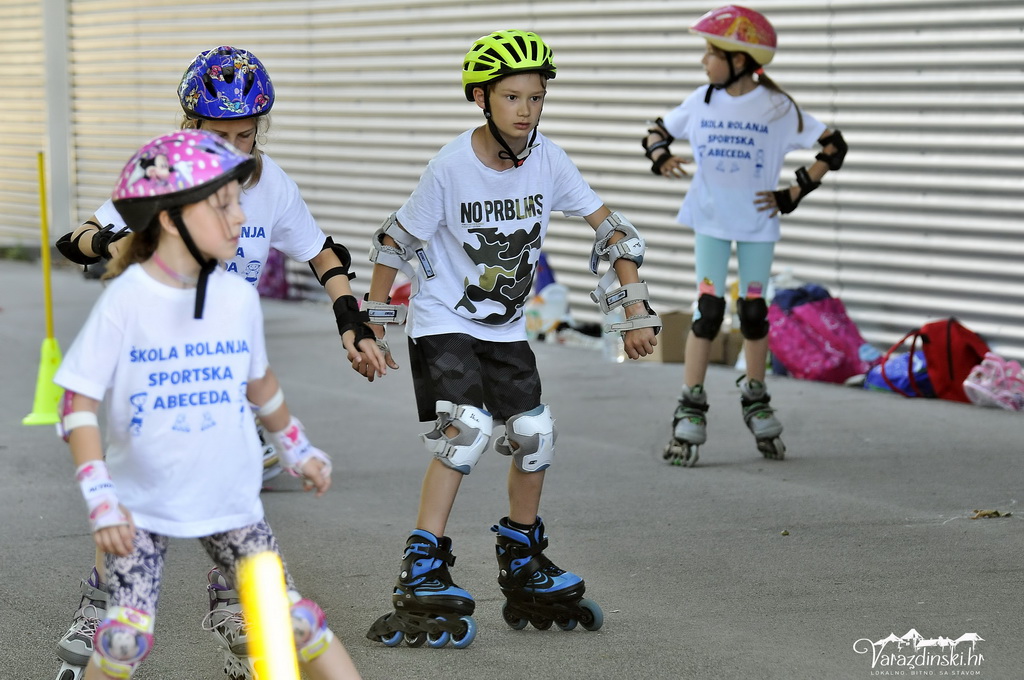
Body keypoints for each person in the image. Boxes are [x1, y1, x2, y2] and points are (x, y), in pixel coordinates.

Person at [51, 46, 383, 680]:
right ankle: (105, 603)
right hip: (153, 383)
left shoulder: (241, 280)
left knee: (271, 574)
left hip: (221, 379)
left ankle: (238, 608)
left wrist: (350, 325)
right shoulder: (164, 184)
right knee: (138, 523)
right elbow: (76, 241)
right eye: (220, 138)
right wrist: (122, 240)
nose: (234, 160)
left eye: (246, 138)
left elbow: (320, 256)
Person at [358, 29, 660, 648]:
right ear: (481, 99)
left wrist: (634, 308)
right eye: (512, 97)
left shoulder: (549, 159)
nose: (526, 110)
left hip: (505, 326)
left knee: (535, 433)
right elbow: (395, 241)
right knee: (466, 428)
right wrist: (376, 323)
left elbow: (615, 232)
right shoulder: (450, 167)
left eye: (536, 97)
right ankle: (423, 564)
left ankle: (522, 558)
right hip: (445, 319)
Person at [642, 5, 847, 466]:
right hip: (711, 220)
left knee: (754, 312)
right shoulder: (701, 100)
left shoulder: (777, 107)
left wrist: (794, 192)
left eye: (711, 53)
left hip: (757, 222)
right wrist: (661, 157)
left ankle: (756, 398)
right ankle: (690, 405)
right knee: (708, 310)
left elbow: (834, 146)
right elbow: (656, 131)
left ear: (738, 60)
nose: (703, 61)